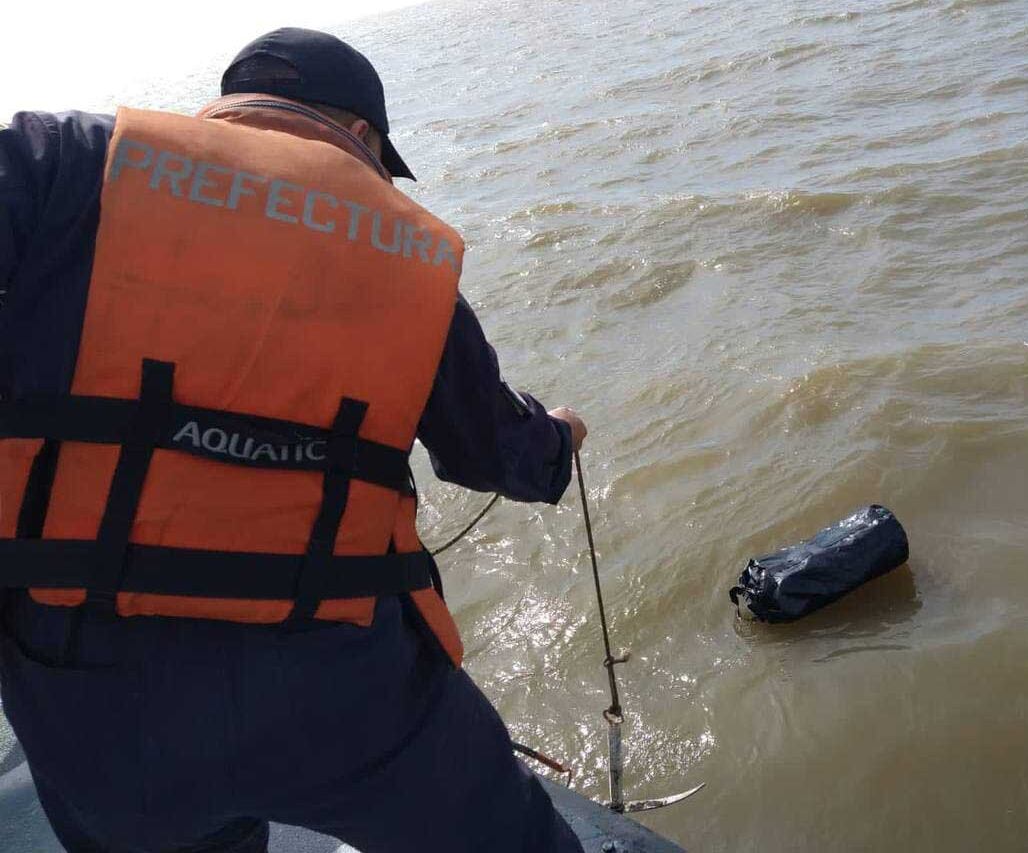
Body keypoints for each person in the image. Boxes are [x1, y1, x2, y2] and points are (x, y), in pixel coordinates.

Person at [0, 27, 587, 853]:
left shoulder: (59, 161)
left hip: (88, 700)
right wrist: (559, 439)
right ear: (362, 138)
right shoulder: (402, 243)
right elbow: (493, 452)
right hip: (349, 686)